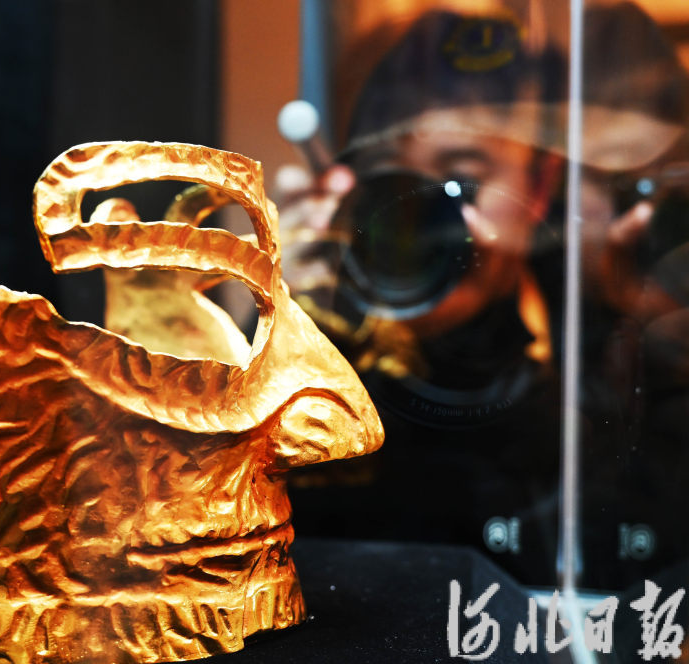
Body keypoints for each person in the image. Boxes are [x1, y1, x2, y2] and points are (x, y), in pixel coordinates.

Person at [277, 3, 689, 588]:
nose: (426, 218)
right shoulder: (314, 337)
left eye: (462, 179)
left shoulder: (591, 341)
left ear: (539, 187)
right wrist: (280, 328)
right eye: (392, 181)